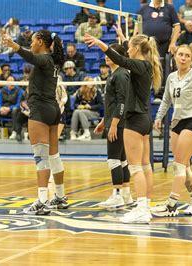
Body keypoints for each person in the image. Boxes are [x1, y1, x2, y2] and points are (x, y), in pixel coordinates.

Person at [84, 33, 162, 224]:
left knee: (135, 168)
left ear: (136, 49)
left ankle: (142, 209)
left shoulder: (140, 65)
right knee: (145, 166)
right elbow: (129, 52)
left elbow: (120, 58)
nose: (127, 50)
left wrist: (100, 43)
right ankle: (145, 206)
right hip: (144, 119)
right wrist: (123, 36)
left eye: (129, 47)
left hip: (134, 120)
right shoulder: (147, 65)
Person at [3, 29, 67, 215]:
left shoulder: (46, 59)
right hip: (53, 110)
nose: (31, 43)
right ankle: (60, 197)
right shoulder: (54, 61)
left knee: (41, 157)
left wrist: (14, 46)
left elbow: (31, 57)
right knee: (54, 156)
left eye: (32, 40)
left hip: (40, 110)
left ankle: (42, 201)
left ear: (40, 41)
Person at [152, 44, 192, 217]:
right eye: (180, 54)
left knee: (178, 165)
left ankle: (172, 204)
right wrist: (158, 117)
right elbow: (165, 100)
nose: (183, 58)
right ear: (175, 56)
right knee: (185, 166)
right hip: (176, 124)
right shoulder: (172, 77)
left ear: (191, 59)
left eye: (187, 56)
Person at [94, 43, 133, 209]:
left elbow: (122, 102)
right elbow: (112, 102)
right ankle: (126, 195)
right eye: (107, 53)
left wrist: (114, 124)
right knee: (122, 160)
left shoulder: (121, 74)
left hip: (120, 123)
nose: (107, 55)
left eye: (112, 53)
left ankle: (117, 195)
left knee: (113, 160)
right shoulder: (114, 74)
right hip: (114, 121)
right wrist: (104, 121)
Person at [70, 77, 103, 141]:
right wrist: (78, 106)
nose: (91, 83)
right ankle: (73, 133)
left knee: (81, 112)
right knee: (76, 111)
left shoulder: (97, 91)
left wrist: (90, 106)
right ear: (85, 83)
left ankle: (87, 133)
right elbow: (75, 104)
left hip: (94, 112)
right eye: (89, 82)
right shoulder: (80, 91)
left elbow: (100, 105)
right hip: (82, 111)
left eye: (92, 82)